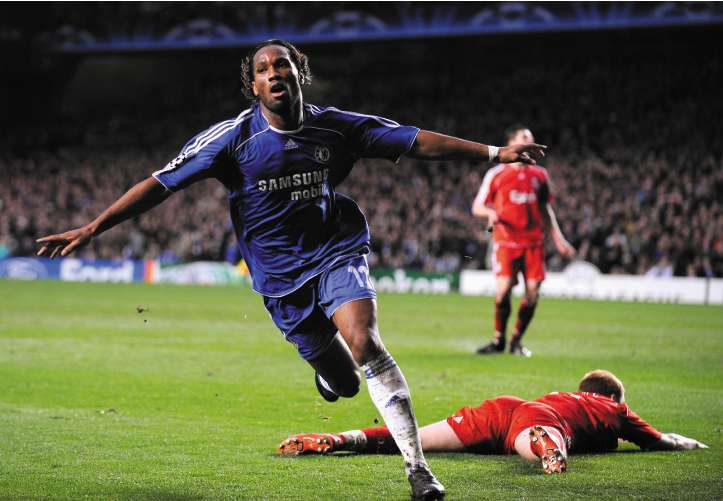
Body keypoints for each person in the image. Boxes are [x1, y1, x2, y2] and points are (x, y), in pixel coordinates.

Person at [35, 39, 547, 501]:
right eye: (262, 69)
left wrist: (496, 153)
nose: (274, 72)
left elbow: (413, 141)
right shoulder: (231, 139)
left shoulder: (335, 126)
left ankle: (418, 470)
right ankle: (330, 376)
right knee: (345, 384)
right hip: (279, 279)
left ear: (300, 72)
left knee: (365, 341)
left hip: (335, 250)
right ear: (253, 85)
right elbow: (159, 183)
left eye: (282, 64)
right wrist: (92, 228)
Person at [278, 369, 708, 474]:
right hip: (538, 419)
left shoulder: (564, 394)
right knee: (539, 435)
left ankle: (340, 437)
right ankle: (545, 445)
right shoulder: (614, 408)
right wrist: (691, 443)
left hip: (501, 410)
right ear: (612, 397)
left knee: (412, 439)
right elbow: (659, 442)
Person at [472, 125, 575, 357]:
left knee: (532, 295)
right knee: (503, 291)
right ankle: (498, 339)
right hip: (505, 242)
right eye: (524, 138)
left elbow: (545, 210)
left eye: (531, 138)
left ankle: (516, 341)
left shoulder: (539, 175)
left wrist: (558, 239)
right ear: (512, 142)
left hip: (533, 243)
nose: (530, 142)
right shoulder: (496, 174)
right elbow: (477, 207)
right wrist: (490, 214)